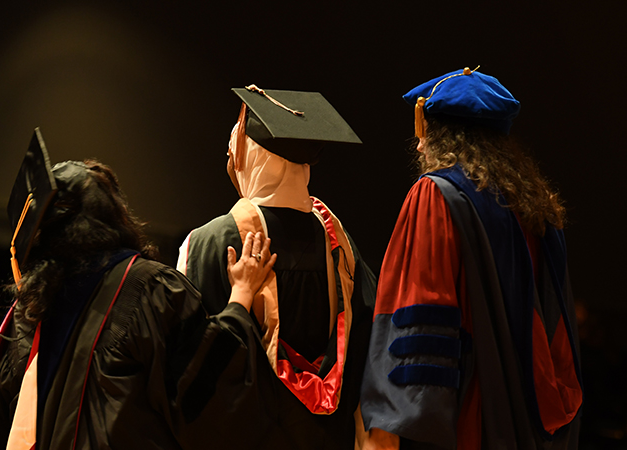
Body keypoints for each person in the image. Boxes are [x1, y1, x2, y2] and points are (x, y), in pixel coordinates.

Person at [0, 128, 281, 449]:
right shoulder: (148, 287)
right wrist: (240, 297)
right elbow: (203, 394)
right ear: (113, 214)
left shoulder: (28, 311)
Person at [360, 67, 582, 450]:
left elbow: (421, 310)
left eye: (424, 133)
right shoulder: (537, 209)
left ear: (444, 135)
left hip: (469, 416)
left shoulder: (435, 196)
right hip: (529, 414)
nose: (418, 147)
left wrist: (393, 423)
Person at [178, 86, 377, 448]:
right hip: (326, 436)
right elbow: (366, 341)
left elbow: (189, 363)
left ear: (249, 156)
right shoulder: (340, 244)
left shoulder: (211, 242)